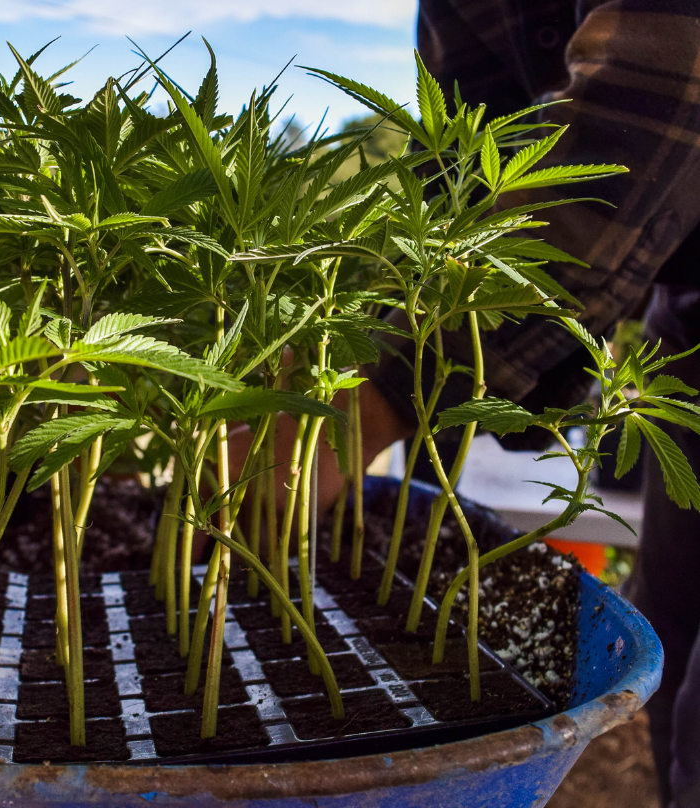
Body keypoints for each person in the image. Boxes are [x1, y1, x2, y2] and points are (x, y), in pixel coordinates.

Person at [330, 2, 700, 805]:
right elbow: (458, 191)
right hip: (691, 304)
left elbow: (651, 105)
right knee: (671, 632)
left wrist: (379, 396)